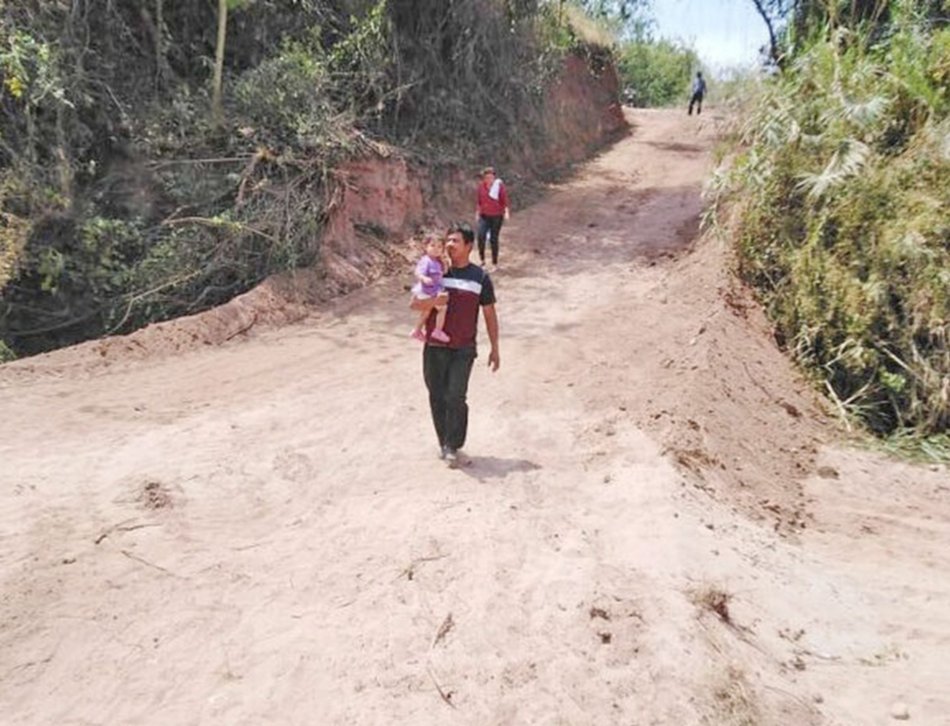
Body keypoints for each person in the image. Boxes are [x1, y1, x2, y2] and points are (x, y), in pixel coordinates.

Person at [411, 222, 500, 467]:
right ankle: (445, 442)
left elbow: (490, 314)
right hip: (435, 346)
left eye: (455, 241)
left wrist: (495, 348)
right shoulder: (437, 272)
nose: (449, 245)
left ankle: (453, 444)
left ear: (469, 246)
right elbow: (414, 305)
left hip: (463, 348)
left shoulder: (480, 277)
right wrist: (432, 301)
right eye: (447, 241)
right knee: (437, 395)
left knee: (456, 396)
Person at [409, 233, 451, 344]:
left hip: (432, 290)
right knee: (442, 308)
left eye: (439, 247)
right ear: (426, 247)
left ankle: (417, 331)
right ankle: (438, 331)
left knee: (426, 311)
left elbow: (442, 273)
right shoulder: (426, 260)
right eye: (432, 245)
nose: (436, 249)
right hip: (427, 291)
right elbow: (418, 272)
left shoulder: (437, 261)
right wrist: (424, 278)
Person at [475, 166, 510, 269]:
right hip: (484, 215)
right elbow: (478, 201)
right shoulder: (481, 187)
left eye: (491, 177)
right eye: (487, 177)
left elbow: (504, 200)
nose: (489, 179)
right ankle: (482, 261)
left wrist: (506, 211)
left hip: (497, 216)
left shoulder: (499, 186)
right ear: (484, 178)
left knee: (494, 239)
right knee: (481, 236)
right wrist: (477, 212)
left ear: (494, 178)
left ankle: (495, 262)